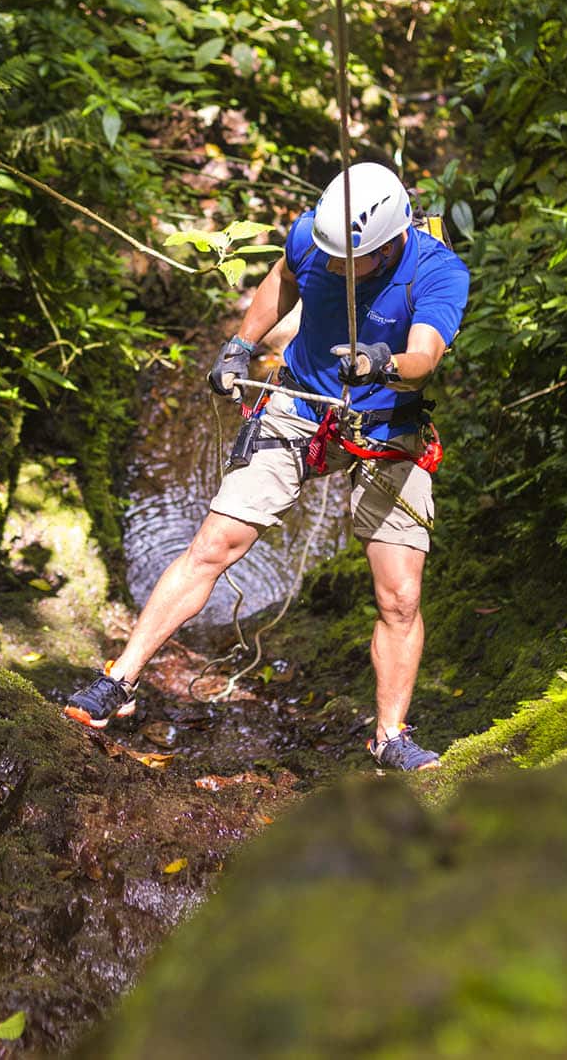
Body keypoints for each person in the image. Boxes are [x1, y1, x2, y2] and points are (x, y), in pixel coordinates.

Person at [63, 163, 470, 770]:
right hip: (302, 405)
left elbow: (426, 355)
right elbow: (284, 277)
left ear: (386, 247)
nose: (331, 265)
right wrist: (240, 345)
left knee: (400, 595)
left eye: (346, 259)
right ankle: (118, 681)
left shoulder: (436, 272)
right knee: (214, 543)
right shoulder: (315, 236)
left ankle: (390, 736)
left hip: (390, 426)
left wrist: (384, 362)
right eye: (327, 252)